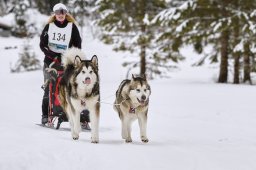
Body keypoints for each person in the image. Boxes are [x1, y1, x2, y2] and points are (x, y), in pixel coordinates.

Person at [40, 3, 81, 124]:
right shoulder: (49, 26)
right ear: (54, 14)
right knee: (48, 88)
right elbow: (42, 45)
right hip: (50, 62)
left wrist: (70, 56)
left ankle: (80, 117)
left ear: (66, 13)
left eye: (63, 12)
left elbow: (77, 45)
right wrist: (52, 55)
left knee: (72, 88)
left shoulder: (72, 27)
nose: (61, 14)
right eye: (58, 12)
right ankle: (46, 115)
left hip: (67, 62)